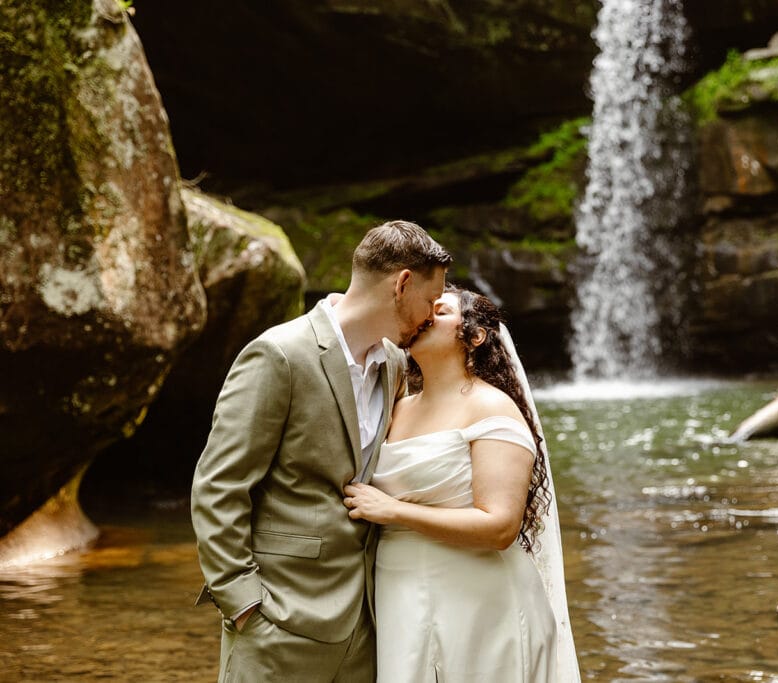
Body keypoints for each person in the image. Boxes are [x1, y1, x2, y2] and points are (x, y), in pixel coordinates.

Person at [191, 220, 451, 682]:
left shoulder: (393, 364)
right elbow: (219, 486)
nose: (432, 316)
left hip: (366, 627)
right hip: (278, 622)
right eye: (431, 302)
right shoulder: (278, 355)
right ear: (402, 283)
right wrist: (244, 602)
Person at [343, 285, 581, 682]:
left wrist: (394, 511)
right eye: (425, 308)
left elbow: (501, 526)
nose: (425, 315)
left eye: (441, 310)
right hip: (399, 593)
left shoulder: (491, 407)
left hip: (481, 601)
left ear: (475, 336)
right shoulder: (396, 407)